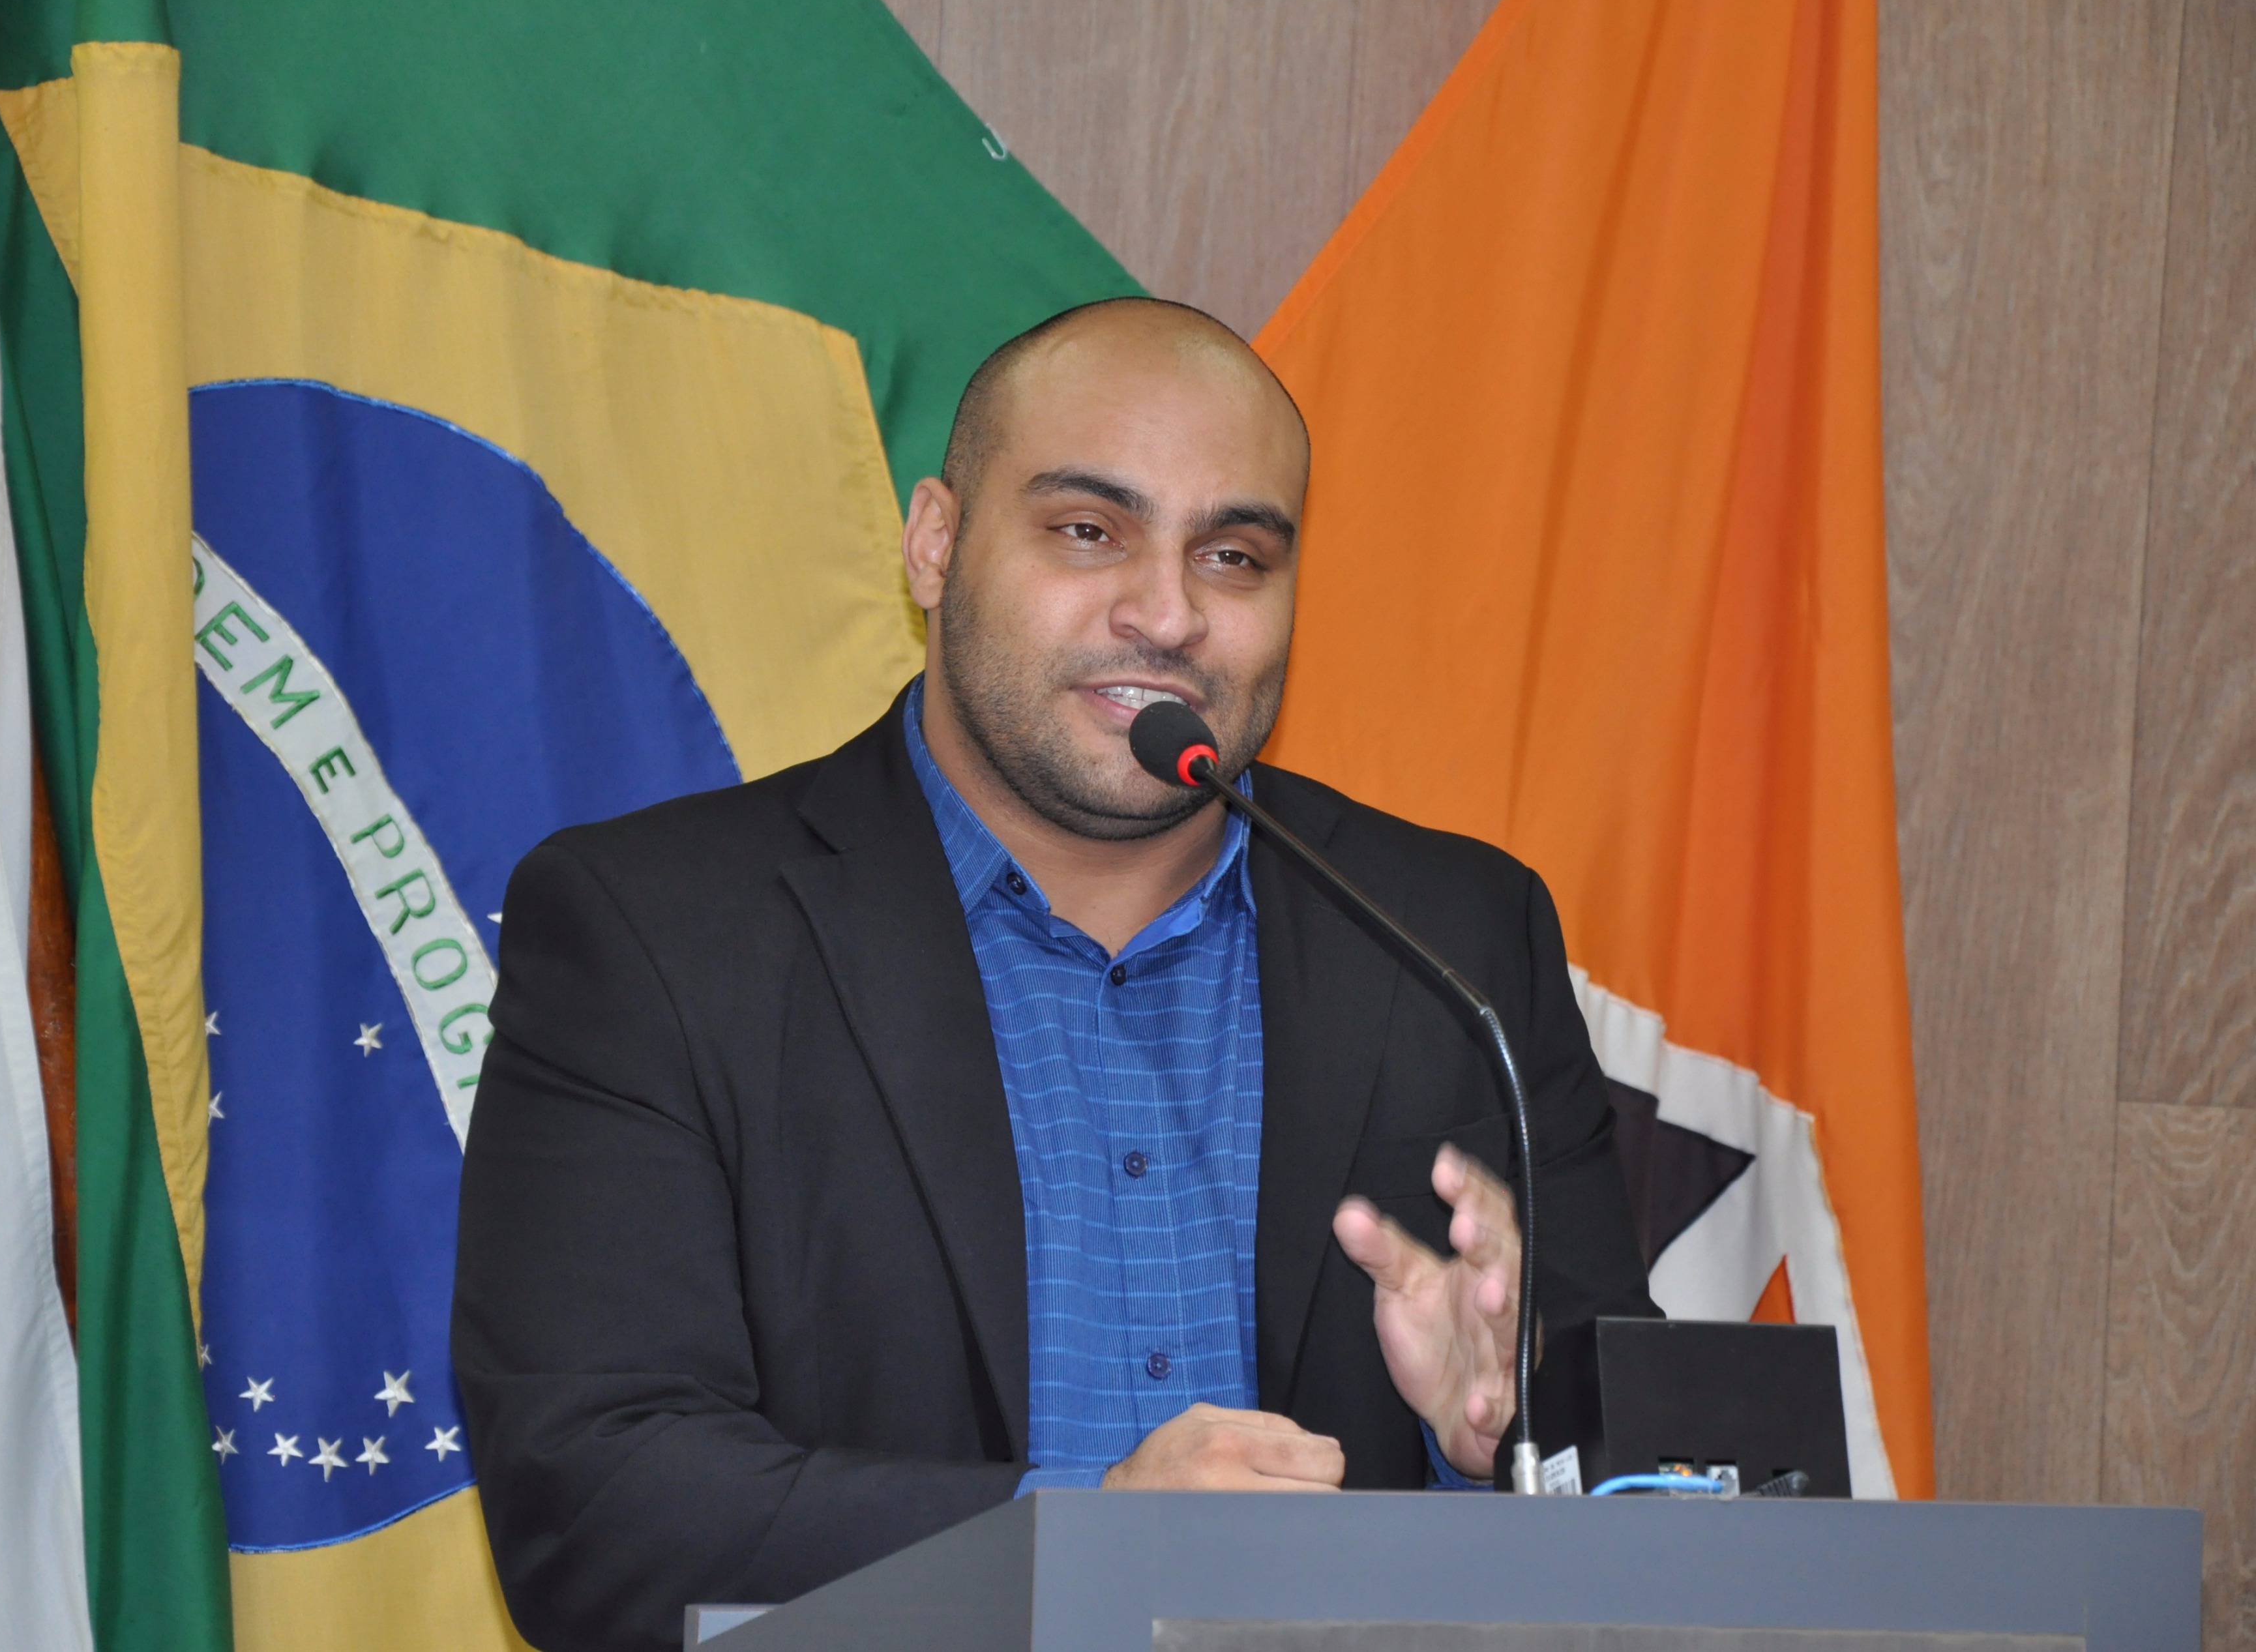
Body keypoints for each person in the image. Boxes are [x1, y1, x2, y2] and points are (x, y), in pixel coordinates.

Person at [453, 297, 1654, 1651]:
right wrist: (1082, 1533)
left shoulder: (1454, 937)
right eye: (1088, 531)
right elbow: (595, 1502)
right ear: (935, 542)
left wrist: (1504, 1441)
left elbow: (1649, 1474)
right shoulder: (656, 930)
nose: (1167, 614)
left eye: (1235, 556)